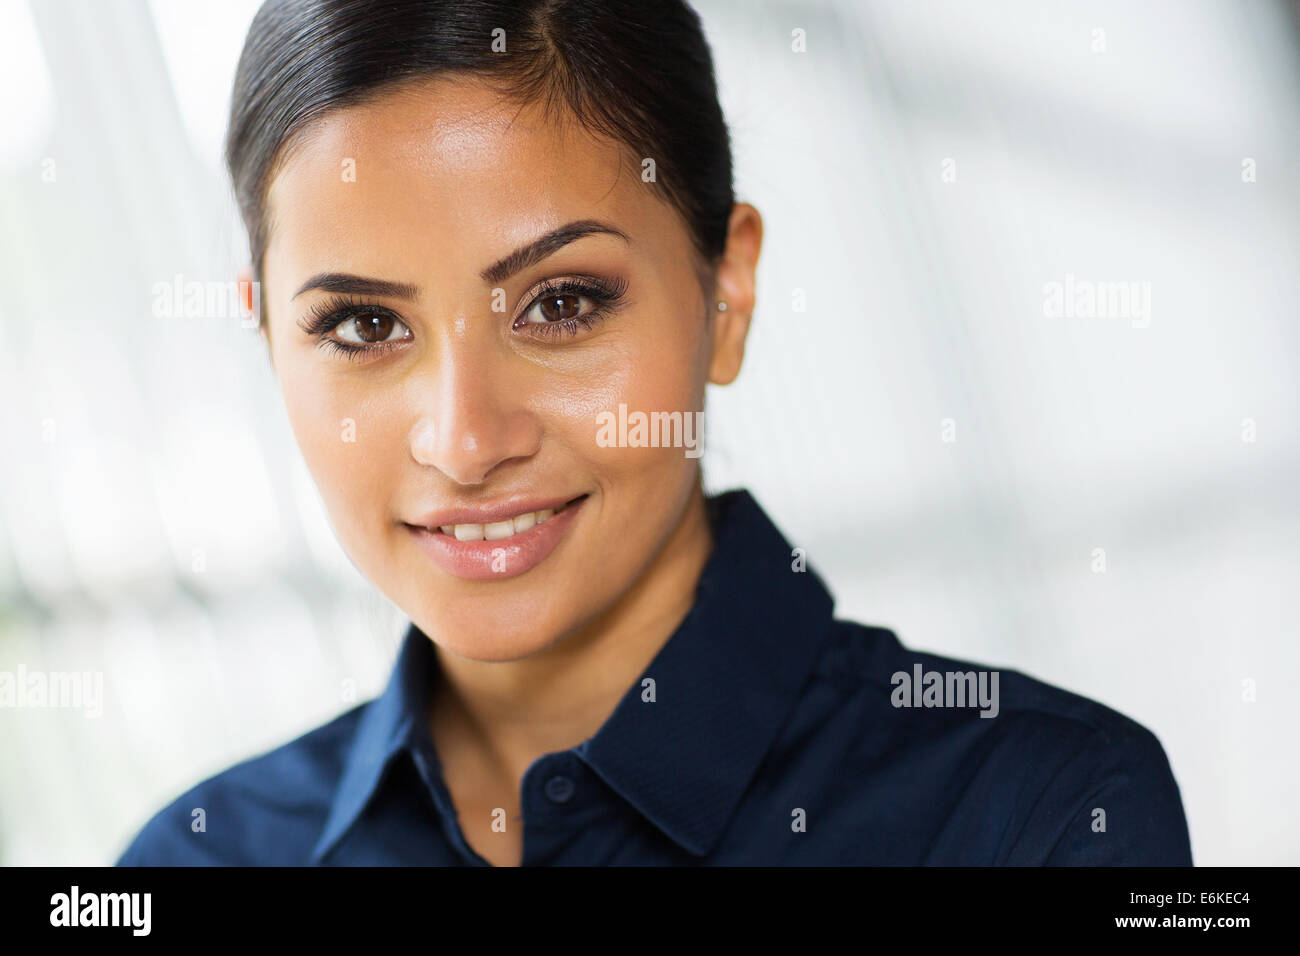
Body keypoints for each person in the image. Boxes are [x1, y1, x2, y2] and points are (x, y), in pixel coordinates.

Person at [116, 0, 1192, 866]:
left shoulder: (1039, 813)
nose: (466, 439)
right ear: (265, 336)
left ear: (726, 290)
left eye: (562, 303)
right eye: (362, 324)